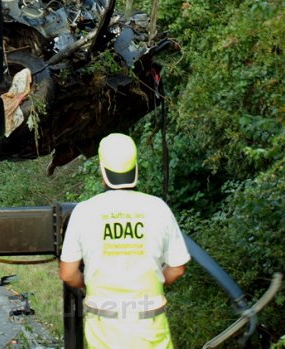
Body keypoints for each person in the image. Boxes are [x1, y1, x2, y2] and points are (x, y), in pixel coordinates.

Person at [59, 133, 191, 348]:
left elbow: (68, 273)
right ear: (135, 167)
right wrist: (156, 281)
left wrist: (88, 284)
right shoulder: (157, 207)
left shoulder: (85, 211)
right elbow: (177, 268)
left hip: (104, 327)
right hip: (150, 325)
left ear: (102, 170)